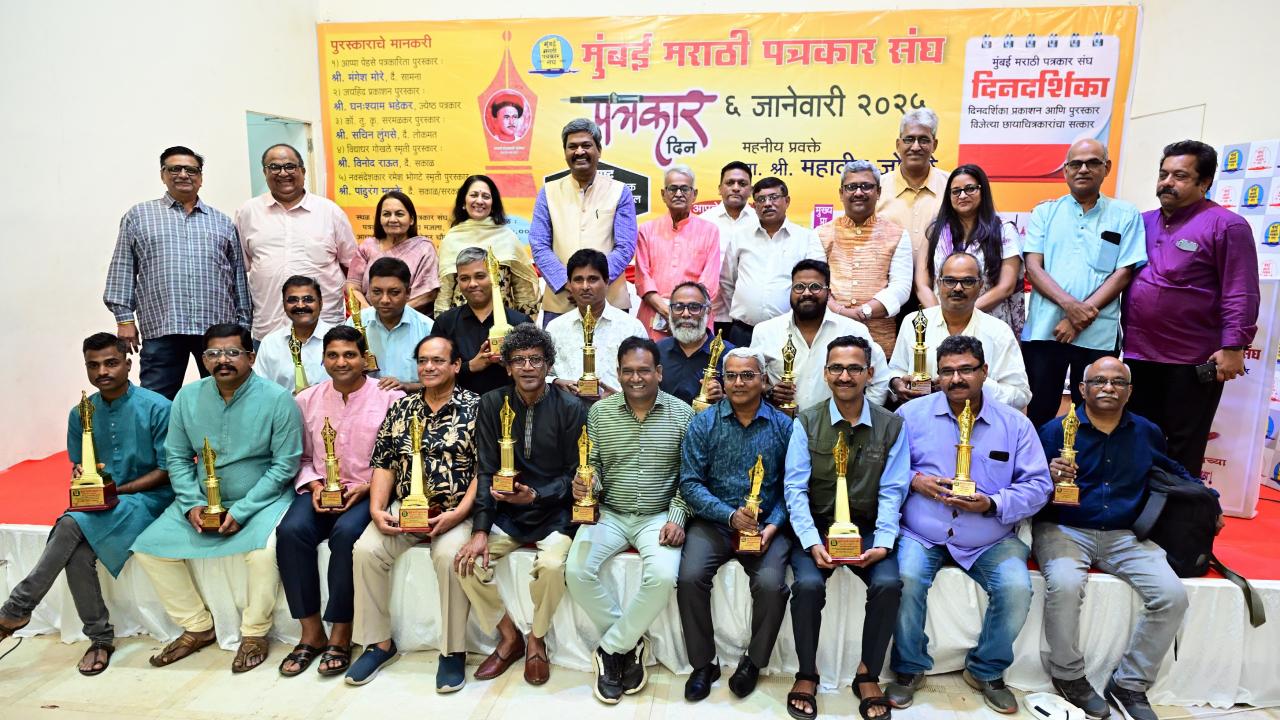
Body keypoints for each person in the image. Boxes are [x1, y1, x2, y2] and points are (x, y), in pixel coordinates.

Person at [886, 335, 1051, 715]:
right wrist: (915, 480)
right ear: (937, 375)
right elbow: (883, 467)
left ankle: (987, 670)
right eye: (947, 371)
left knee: (1015, 589)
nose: (956, 378)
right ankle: (909, 668)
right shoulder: (911, 416)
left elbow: (1039, 486)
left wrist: (993, 502)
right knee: (906, 580)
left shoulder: (1015, 424)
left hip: (989, 536)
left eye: (965, 370)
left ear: (984, 372)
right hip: (923, 531)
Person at [1035, 357, 1205, 720]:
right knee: (1064, 585)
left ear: (1129, 392)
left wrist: (1208, 499)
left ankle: (1129, 683)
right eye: (1098, 381)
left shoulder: (1147, 431)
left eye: (1117, 382)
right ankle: (1069, 676)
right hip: (1064, 529)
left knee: (1172, 596)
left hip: (1126, 535)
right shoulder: (1053, 430)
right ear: (1082, 390)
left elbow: (1170, 468)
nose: (1108, 387)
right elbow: (1028, 485)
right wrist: (1049, 476)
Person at [131, 323, 302, 673]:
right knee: (149, 548)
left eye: (233, 352)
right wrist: (193, 504)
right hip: (199, 501)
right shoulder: (187, 398)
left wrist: (241, 510)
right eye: (213, 354)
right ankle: (196, 625)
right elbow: (177, 457)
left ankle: (254, 633)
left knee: (264, 554)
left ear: (251, 357)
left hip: (262, 500)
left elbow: (285, 465)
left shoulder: (277, 399)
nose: (222, 360)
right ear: (204, 358)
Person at [0, 333, 173, 675]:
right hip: (100, 502)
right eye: (93, 365)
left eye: (110, 362)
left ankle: (16, 609)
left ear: (128, 362)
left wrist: (116, 490)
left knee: (69, 524)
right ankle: (99, 638)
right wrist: (84, 475)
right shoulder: (81, 412)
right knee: (77, 554)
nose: (102, 371)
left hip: (147, 500)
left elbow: (167, 471)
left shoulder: (157, 407)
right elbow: (81, 466)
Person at [783, 334, 909, 720]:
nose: (845, 376)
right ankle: (807, 673)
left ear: (870, 373)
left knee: (889, 584)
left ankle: (867, 673)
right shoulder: (806, 420)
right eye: (836, 367)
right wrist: (809, 542)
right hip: (819, 528)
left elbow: (892, 490)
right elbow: (794, 487)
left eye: (855, 368)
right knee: (805, 585)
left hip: (868, 528)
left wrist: (883, 543)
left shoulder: (891, 426)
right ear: (825, 373)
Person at [453, 323, 586, 686]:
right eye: (519, 361)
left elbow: (576, 473)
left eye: (536, 360)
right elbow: (487, 469)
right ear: (508, 367)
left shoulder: (571, 407)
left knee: (555, 566)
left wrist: (537, 495)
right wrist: (480, 530)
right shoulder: (492, 403)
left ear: (548, 365)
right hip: (507, 514)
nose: (528, 367)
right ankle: (509, 637)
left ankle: (537, 639)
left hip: (556, 512)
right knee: (465, 562)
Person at [347, 336, 480, 691]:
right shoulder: (402, 408)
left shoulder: (477, 407)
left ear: (456, 365)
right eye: (422, 361)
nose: (429, 368)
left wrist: (459, 514)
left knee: (451, 557)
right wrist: (376, 508)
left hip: (454, 511)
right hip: (405, 509)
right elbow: (384, 463)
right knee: (365, 551)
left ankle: (452, 652)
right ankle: (378, 644)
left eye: (438, 361)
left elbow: (485, 471)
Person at [565, 336, 693, 705]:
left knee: (665, 576)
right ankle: (630, 643)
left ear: (659, 372)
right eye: (628, 371)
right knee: (576, 570)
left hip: (658, 516)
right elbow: (596, 465)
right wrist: (587, 482)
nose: (636, 378)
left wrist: (678, 516)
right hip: (610, 513)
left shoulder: (682, 414)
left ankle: (610, 650)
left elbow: (690, 474)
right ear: (618, 374)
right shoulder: (600, 413)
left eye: (643, 370)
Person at [1122, 140, 1260, 477]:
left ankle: (1179, 524)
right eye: (1163, 173)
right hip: (1138, 356)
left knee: (1184, 447)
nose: (1167, 182)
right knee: (1138, 440)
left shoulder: (1227, 225)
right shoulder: (1140, 222)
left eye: (1180, 175)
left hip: (1192, 360)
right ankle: (1138, 520)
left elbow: (1240, 290)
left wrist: (1233, 346)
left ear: (1205, 182)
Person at [274, 326, 403, 678]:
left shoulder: (390, 399)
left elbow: (395, 459)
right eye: (333, 355)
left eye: (350, 354)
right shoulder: (306, 400)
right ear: (323, 359)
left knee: (346, 535)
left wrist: (367, 488)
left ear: (365, 358)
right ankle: (311, 633)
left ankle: (341, 632)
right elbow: (299, 457)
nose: (341, 362)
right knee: (291, 531)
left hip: (367, 490)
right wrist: (314, 485)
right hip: (318, 489)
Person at [677, 347, 792, 702]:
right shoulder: (704, 422)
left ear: (764, 381)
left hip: (765, 529)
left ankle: (753, 663)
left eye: (748, 375)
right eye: (731, 376)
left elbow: (794, 488)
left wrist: (772, 525)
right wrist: (728, 515)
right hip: (715, 523)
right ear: (721, 381)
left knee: (772, 585)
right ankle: (703, 664)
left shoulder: (784, 426)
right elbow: (690, 482)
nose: (739, 382)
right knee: (690, 577)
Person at [104, 146, 252, 399]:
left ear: (200, 178)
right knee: (157, 401)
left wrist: (244, 326)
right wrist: (124, 319)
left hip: (216, 330)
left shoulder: (222, 222)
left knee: (227, 397)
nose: (183, 174)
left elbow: (238, 277)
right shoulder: (139, 216)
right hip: (163, 326)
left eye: (191, 169)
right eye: (175, 169)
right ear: (163, 174)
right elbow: (123, 268)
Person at [1022, 139, 1146, 431]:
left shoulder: (1125, 214)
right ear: (1065, 171)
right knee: (1040, 407)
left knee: (1095, 410)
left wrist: (1079, 318)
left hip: (1098, 335)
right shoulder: (1045, 213)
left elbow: (1124, 272)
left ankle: (1087, 472)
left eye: (1092, 163)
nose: (1083, 169)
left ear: (1107, 168)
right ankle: (1039, 472)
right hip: (1045, 331)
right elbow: (1033, 267)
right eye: (1075, 164)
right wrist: (1070, 308)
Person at [236, 143, 357, 342]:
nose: (283, 173)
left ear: (303, 170)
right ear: (264, 172)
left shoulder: (330, 212)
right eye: (274, 167)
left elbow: (352, 268)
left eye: (290, 166)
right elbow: (243, 268)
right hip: (269, 330)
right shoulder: (248, 212)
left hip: (324, 331)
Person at [890, 253, 1030, 409]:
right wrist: (896, 383)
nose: (958, 288)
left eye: (968, 281)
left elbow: (1021, 395)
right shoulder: (914, 322)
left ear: (980, 285)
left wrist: (975, 381)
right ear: (938, 283)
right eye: (950, 281)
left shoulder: (998, 331)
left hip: (979, 424)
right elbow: (896, 369)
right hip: (922, 421)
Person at [530, 119, 637, 324]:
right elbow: (539, 244)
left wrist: (596, 284)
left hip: (610, 301)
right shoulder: (548, 193)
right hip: (562, 300)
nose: (579, 151)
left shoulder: (620, 192)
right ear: (565, 152)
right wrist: (569, 283)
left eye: (586, 145)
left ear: (599, 150)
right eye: (572, 146)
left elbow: (625, 246)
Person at [751, 260, 890, 414]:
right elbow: (751, 379)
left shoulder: (854, 331)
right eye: (799, 287)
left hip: (837, 429)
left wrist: (860, 417)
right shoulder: (765, 331)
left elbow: (880, 379)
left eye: (815, 287)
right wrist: (769, 391)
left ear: (829, 293)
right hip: (781, 427)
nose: (806, 293)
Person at [816, 160, 913, 355]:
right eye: (851, 187)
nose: (859, 192)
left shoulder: (898, 235)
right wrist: (841, 312)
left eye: (866, 186)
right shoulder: (821, 234)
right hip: (830, 332)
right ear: (841, 193)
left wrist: (864, 312)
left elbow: (901, 287)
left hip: (879, 339)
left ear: (878, 192)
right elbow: (816, 283)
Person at [917, 165, 1023, 335]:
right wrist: (941, 317)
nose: (963, 195)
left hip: (988, 322)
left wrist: (962, 315)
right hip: (940, 326)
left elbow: (1006, 286)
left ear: (983, 191)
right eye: (956, 191)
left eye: (970, 189)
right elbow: (922, 284)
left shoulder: (1004, 230)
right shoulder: (935, 231)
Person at [719, 177, 825, 347]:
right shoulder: (740, 237)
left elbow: (817, 283)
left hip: (789, 332)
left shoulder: (806, 238)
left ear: (787, 201)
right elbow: (727, 281)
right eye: (761, 199)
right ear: (755, 206)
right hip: (743, 331)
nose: (767, 203)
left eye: (774, 197)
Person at [546, 249, 647, 401]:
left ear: (606, 282)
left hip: (617, 413)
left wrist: (620, 398)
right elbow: (542, 374)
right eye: (578, 280)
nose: (585, 286)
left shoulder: (631, 328)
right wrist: (556, 382)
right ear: (569, 284)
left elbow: (646, 376)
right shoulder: (555, 328)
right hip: (566, 415)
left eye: (593, 279)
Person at [431, 246, 532, 396]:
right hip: (458, 409)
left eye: (480, 276)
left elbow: (536, 368)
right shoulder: (445, 323)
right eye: (465, 278)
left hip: (511, 405)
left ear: (494, 277)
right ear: (457, 281)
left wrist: (511, 363)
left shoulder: (520, 322)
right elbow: (434, 370)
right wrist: (470, 366)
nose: (472, 284)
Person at [635, 165, 721, 340]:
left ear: (694, 194)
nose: (679, 194)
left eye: (685, 189)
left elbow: (709, 281)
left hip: (695, 316)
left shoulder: (710, 231)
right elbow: (642, 277)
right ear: (663, 194)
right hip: (653, 313)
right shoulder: (646, 229)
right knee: (651, 363)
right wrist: (665, 309)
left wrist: (685, 311)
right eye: (673, 188)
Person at [436, 175, 541, 318]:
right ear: (463, 202)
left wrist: (527, 329)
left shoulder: (507, 237)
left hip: (504, 325)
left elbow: (523, 292)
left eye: (485, 196)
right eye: (474, 195)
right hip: (461, 326)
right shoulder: (451, 239)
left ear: (493, 204)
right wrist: (442, 329)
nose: (479, 201)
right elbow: (444, 292)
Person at [346, 257, 434, 393]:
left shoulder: (427, 328)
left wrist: (407, 386)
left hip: (411, 406)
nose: (385, 300)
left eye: (394, 293)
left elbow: (442, 381)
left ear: (408, 293)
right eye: (377, 292)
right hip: (365, 404)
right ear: (368, 291)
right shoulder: (355, 323)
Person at [345, 191, 439, 314]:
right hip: (370, 322)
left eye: (399, 214)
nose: (392, 219)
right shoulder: (368, 247)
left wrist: (392, 315)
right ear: (379, 219)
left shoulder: (424, 248)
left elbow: (428, 294)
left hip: (410, 321)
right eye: (386, 214)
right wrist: (370, 314)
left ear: (411, 220)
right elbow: (352, 286)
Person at [877, 108, 950, 258]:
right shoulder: (877, 188)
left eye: (923, 140)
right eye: (909, 139)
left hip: (939, 280)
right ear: (898, 145)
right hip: (888, 280)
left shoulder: (952, 187)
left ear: (934, 145)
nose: (916, 147)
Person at [657, 282, 733, 405]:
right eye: (678, 307)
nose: (686, 314)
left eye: (694, 307)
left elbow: (747, 403)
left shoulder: (728, 354)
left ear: (708, 311)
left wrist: (723, 398)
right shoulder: (658, 350)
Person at [253, 275, 332, 392]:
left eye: (308, 299)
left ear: (320, 303)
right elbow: (260, 389)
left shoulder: (339, 339)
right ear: (284, 305)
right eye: (292, 300)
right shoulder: (270, 343)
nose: (300, 305)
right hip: (282, 409)